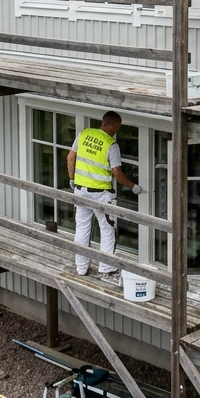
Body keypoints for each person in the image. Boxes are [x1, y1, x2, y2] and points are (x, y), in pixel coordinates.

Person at [66, 111, 142, 280]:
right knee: (107, 230)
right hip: (101, 195)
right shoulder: (111, 144)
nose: (118, 130)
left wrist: (72, 178)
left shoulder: (84, 134)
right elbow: (117, 172)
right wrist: (133, 186)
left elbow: (71, 157)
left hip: (80, 191)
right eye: (118, 126)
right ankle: (106, 268)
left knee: (82, 229)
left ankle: (81, 268)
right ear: (111, 125)